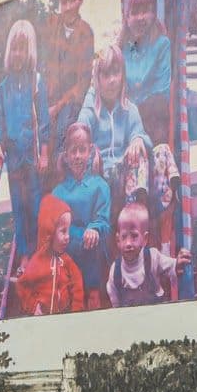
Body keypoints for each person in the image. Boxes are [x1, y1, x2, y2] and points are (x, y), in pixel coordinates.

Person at [0, 19, 49, 258]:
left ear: (29, 51)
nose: (18, 53)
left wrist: (44, 153)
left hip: (32, 157)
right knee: (18, 207)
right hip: (13, 158)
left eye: (22, 48)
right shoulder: (2, 89)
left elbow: (44, 119)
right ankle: (24, 254)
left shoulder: (36, 82)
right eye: (14, 48)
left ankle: (39, 253)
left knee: (35, 204)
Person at [78, 44, 150, 215]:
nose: (112, 80)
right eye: (106, 74)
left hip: (123, 172)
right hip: (100, 172)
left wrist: (137, 139)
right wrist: (92, 149)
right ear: (97, 78)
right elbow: (80, 133)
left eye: (116, 73)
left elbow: (140, 133)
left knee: (152, 153)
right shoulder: (91, 108)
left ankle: (135, 215)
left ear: (122, 76)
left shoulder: (129, 109)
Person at [51, 123, 111, 307]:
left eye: (82, 150)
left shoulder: (99, 185)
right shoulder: (58, 192)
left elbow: (104, 220)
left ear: (90, 151)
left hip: (91, 248)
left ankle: (93, 295)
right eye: (73, 151)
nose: (77, 156)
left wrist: (94, 229)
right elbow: (52, 225)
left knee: (91, 242)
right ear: (66, 156)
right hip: (68, 248)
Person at [42, 0, 94, 159]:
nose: (68, 7)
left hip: (71, 104)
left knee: (64, 129)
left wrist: (58, 106)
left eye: (73, 0)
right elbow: (46, 66)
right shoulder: (53, 25)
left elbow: (83, 82)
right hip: (49, 100)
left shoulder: (85, 32)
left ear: (80, 0)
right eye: (64, 1)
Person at [10, 194, 83, 316]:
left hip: (66, 312)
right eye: (63, 231)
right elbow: (22, 285)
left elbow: (77, 283)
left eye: (68, 230)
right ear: (50, 231)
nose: (68, 236)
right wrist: (33, 306)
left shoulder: (66, 260)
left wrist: (77, 309)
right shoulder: (37, 262)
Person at [120, 0, 173, 147]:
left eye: (146, 11)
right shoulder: (121, 49)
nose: (140, 18)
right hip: (127, 118)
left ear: (153, 14)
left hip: (153, 118)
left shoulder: (162, 44)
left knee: (157, 106)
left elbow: (162, 90)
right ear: (127, 17)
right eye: (135, 12)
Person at [106, 201, 188, 308]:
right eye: (124, 237)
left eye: (134, 236)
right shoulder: (116, 270)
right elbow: (115, 300)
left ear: (145, 239)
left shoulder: (152, 257)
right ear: (118, 240)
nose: (128, 243)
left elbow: (170, 266)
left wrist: (177, 264)